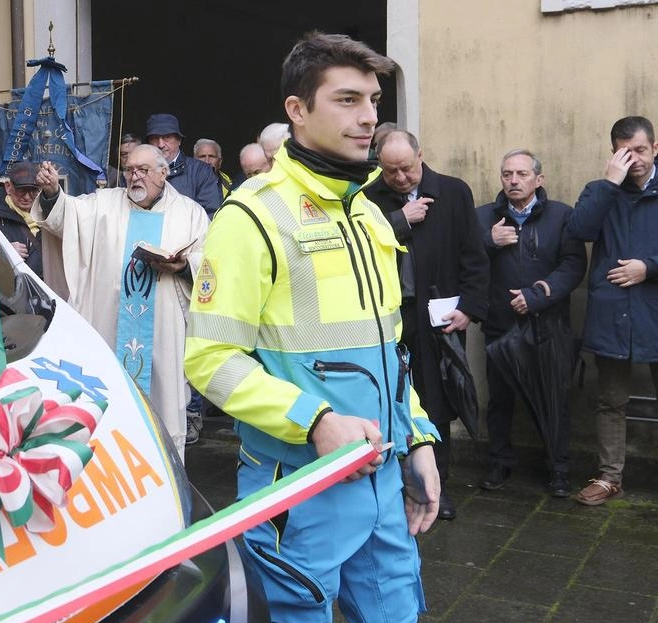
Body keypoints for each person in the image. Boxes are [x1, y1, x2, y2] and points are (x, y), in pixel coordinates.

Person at [184, 32, 440, 622]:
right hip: (299, 493)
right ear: (297, 110)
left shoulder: (368, 212)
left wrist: (419, 441)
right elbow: (210, 360)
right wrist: (316, 421)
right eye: (347, 100)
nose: (368, 118)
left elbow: (389, 353)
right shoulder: (250, 216)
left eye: (374, 101)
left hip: (381, 488)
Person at [568, 116, 658, 518]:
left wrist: (649, 267)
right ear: (615, 152)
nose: (635, 160)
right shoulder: (600, 190)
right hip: (613, 310)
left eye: (642, 150)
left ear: (656, 147)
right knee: (611, 398)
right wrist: (609, 185)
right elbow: (578, 229)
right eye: (625, 152)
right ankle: (608, 477)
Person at [32, 144, 208, 458]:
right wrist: (50, 194)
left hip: (163, 331)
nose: (134, 177)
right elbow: (65, 217)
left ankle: (163, 472)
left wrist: (183, 266)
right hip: (109, 325)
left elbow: (207, 263)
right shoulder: (103, 204)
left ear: (163, 173)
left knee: (163, 407)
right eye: (129, 170)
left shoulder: (189, 212)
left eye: (143, 170)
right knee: (107, 406)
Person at [365, 129, 489, 520]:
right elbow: (362, 247)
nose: (400, 178)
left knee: (436, 406)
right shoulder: (369, 198)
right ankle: (393, 485)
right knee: (389, 400)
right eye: (390, 171)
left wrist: (469, 307)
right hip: (389, 317)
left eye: (406, 168)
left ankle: (438, 487)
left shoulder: (453, 191)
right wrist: (399, 221)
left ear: (421, 155)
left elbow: (474, 254)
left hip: (440, 317)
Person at [475, 149, 587, 497]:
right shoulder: (483, 218)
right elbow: (465, 260)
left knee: (553, 399)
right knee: (500, 400)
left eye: (522, 174)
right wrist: (488, 243)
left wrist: (538, 295)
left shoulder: (562, 216)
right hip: (500, 323)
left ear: (539, 179)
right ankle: (499, 462)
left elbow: (573, 266)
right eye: (507, 174)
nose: (513, 180)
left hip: (547, 324)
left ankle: (558, 468)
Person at [144, 113, 221, 217]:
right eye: (155, 138)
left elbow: (211, 214)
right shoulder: (135, 172)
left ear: (179, 140)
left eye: (167, 137)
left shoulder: (202, 172)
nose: (161, 144)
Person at [0, 161, 44, 277]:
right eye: (22, 190)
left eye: (33, 190)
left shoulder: (49, 216)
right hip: (13, 291)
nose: (27, 197)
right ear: (8, 187)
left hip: (46, 291)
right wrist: (3, 252)